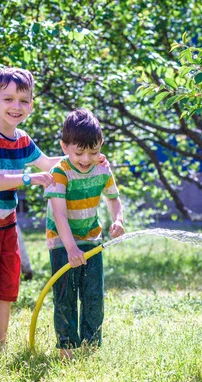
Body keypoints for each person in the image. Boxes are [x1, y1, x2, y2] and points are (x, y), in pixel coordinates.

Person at [0, 67, 58, 349]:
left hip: (6, 222)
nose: (17, 106)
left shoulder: (23, 140)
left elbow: (50, 164)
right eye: (8, 99)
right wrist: (29, 178)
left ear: (31, 105)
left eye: (24, 100)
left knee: (7, 285)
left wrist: (84, 157)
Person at [44, 108, 124, 359]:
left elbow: (114, 200)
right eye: (79, 152)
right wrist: (70, 248)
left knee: (92, 295)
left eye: (94, 151)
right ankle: (67, 348)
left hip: (91, 239)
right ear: (65, 146)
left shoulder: (102, 168)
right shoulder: (60, 172)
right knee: (66, 295)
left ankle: (90, 346)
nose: (87, 158)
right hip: (61, 242)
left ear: (100, 145)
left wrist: (118, 220)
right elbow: (59, 215)